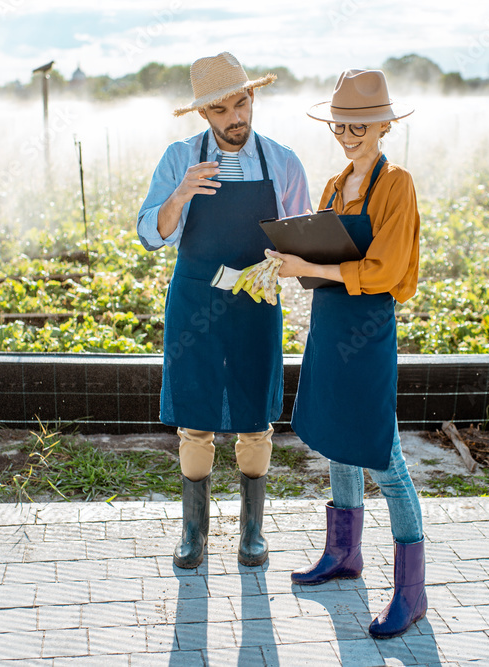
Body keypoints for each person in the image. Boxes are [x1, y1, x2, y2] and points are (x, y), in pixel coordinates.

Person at [137, 52, 311, 570]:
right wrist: (181, 194)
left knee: (256, 419)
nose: (235, 117)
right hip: (194, 301)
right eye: (221, 110)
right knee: (195, 418)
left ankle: (252, 534)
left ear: (252, 97)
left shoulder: (282, 162)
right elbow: (150, 232)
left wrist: (283, 264)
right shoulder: (178, 159)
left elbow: (302, 238)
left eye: (241, 103)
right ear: (203, 115)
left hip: (256, 305)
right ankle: (194, 534)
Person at [267, 69, 424, 639]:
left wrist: (305, 265)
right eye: (340, 124)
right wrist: (282, 255)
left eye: (359, 124)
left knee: (383, 454)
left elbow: (382, 271)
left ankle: (412, 592)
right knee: (336, 436)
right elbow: (318, 251)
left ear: (384, 124)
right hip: (330, 324)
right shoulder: (334, 188)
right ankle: (344, 555)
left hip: (369, 329)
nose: (348, 133)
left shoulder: (397, 185)